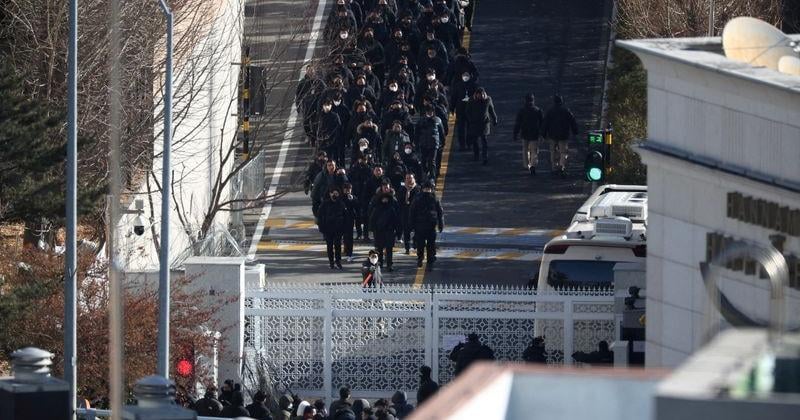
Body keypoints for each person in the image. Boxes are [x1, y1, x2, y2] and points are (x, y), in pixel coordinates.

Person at [409, 180, 443, 270]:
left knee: (431, 245)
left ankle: (430, 262)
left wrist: (441, 224)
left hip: (431, 226)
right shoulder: (418, 198)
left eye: (429, 189)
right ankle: (420, 258)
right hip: (419, 226)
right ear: (422, 189)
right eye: (426, 189)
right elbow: (412, 212)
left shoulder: (435, 199)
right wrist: (412, 225)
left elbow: (440, 212)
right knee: (420, 244)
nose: (427, 190)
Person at [368, 179, 401, 271]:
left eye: (387, 187)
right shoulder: (375, 199)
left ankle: (389, 264)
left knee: (389, 248)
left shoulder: (393, 200)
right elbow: (371, 213)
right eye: (384, 187)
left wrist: (398, 230)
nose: (386, 188)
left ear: (390, 187)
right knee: (379, 248)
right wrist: (371, 228)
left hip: (389, 229)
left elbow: (397, 216)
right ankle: (380, 263)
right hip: (378, 229)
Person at [542, 94, 578, 177]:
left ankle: (554, 167)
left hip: (552, 135)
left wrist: (543, 134)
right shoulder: (566, 111)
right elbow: (572, 121)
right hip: (563, 135)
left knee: (553, 151)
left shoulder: (550, 111)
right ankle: (562, 166)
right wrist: (575, 131)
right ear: (561, 101)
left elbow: (545, 123)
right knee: (563, 152)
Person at [465, 87, 498, 165]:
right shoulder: (471, 100)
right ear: (476, 95)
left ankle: (484, 157)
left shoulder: (488, 100)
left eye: (482, 95)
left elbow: (491, 110)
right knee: (475, 141)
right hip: (474, 123)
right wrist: (470, 120)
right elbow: (467, 111)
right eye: (479, 95)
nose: (481, 96)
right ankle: (476, 155)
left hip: (484, 124)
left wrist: (495, 118)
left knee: (484, 141)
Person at [514, 93, 544, 175]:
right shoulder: (538, 110)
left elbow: (518, 123)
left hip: (524, 133)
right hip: (534, 133)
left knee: (525, 150)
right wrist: (543, 133)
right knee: (534, 150)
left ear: (525, 100)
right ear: (533, 100)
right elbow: (542, 123)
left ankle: (527, 164)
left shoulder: (522, 110)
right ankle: (533, 164)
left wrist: (515, 134)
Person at [318, 186, 348, 269]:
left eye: (336, 193)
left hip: (338, 229)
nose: (334, 195)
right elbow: (320, 216)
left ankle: (338, 261)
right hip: (328, 229)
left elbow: (346, 216)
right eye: (333, 193)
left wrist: (344, 228)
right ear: (330, 194)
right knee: (329, 246)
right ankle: (331, 262)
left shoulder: (341, 203)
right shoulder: (325, 204)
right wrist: (322, 227)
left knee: (338, 246)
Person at [415, 106, 446, 181]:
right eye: (428, 111)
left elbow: (442, 132)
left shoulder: (437, 120)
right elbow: (417, 133)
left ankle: (432, 177)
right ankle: (426, 172)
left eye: (431, 111)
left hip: (433, 144)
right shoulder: (421, 120)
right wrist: (416, 142)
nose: (430, 113)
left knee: (432, 161)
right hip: (423, 144)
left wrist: (443, 142)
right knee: (423, 160)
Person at [397, 173, 420, 254]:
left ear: (414, 179)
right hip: (405, 214)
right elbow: (399, 201)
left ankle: (415, 243)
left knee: (417, 231)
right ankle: (407, 248)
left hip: (416, 214)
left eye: (410, 178)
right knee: (406, 232)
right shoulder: (402, 189)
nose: (409, 180)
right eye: (407, 178)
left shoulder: (417, 189)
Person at [342, 182, 360, 262]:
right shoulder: (341, 198)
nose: (348, 191)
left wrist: (352, 200)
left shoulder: (353, 197)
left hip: (350, 219)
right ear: (343, 190)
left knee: (349, 236)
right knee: (344, 236)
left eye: (349, 189)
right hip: (341, 220)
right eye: (346, 189)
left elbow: (357, 207)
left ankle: (350, 253)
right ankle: (345, 248)